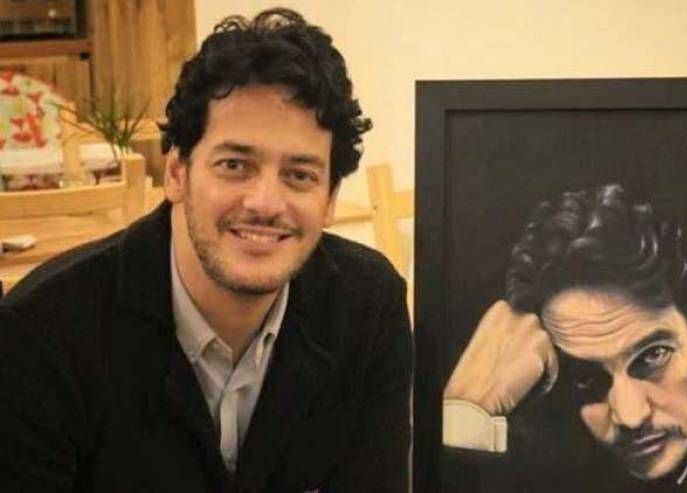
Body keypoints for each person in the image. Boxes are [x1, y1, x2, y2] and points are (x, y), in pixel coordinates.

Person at [0, 8, 412, 493]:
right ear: (177, 173)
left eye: (299, 175)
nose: (265, 203)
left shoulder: (367, 308)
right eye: (235, 164)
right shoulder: (41, 334)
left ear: (330, 199)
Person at [442, 184, 687, 492]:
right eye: (587, 378)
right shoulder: (536, 429)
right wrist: (465, 417)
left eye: (653, 356)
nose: (631, 415)